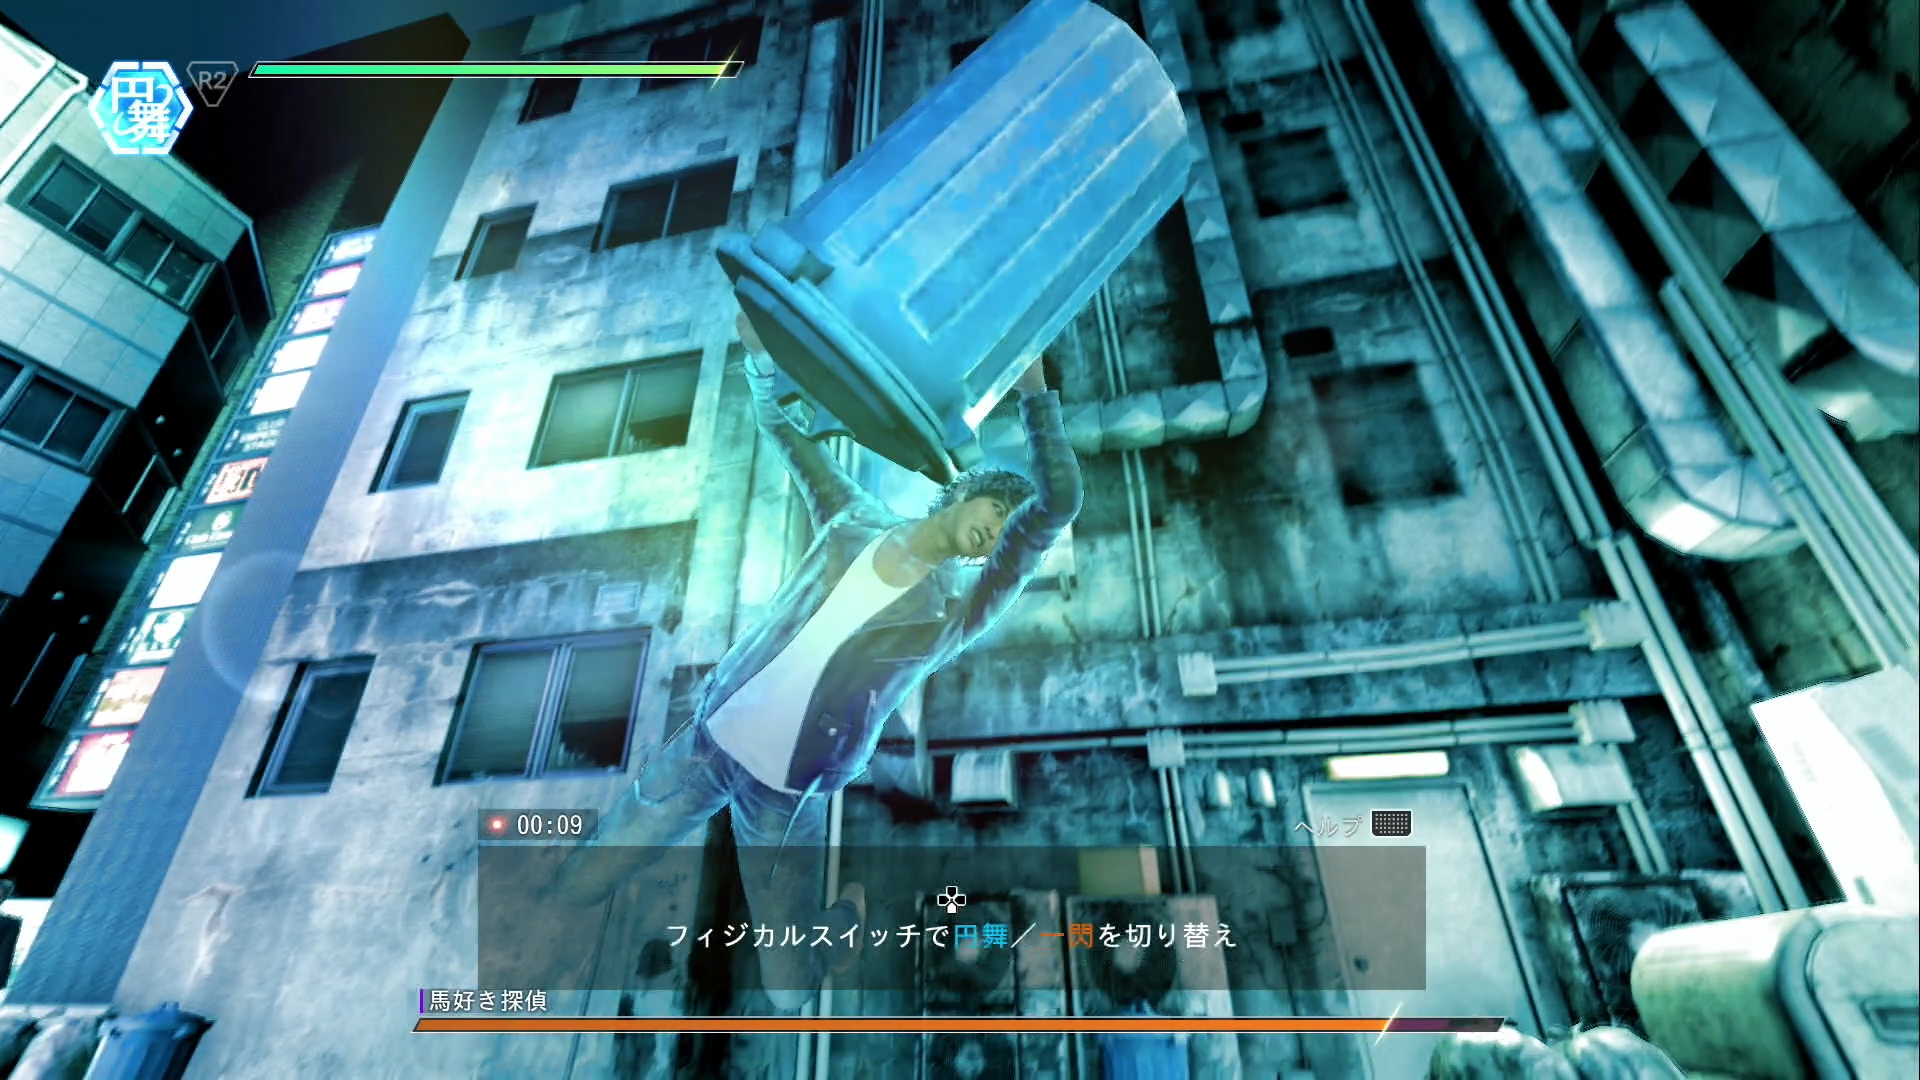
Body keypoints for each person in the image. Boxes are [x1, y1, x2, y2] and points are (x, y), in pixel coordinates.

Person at [555, 310, 1083, 1010]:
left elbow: (1057, 505)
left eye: (1007, 535)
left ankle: (840, 929)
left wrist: (1037, 395)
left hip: (787, 790)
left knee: (789, 989)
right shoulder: (851, 517)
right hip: (709, 741)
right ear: (965, 492)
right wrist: (759, 357)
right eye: (996, 511)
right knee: (583, 879)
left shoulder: (956, 612)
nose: (997, 533)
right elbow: (784, 429)